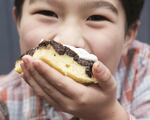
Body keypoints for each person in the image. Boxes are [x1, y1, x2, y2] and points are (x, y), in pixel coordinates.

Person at [0, 0, 149, 120]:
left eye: (97, 18)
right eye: (47, 13)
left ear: (128, 35)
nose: (68, 40)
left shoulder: (143, 71)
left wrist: (107, 114)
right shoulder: (5, 100)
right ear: (18, 22)